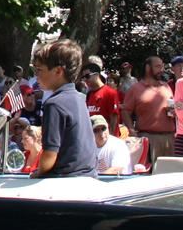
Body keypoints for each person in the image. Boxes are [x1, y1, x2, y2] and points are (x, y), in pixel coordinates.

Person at [31, 38, 98, 178]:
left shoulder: (54, 104)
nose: (36, 75)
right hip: (89, 177)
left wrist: (38, 173)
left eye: (39, 70)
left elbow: (49, 154)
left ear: (58, 71)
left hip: (63, 182)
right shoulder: (80, 98)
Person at [122, 56, 176, 163]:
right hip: (149, 138)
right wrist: (131, 130)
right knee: (150, 174)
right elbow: (125, 111)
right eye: (157, 66)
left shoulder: (166, 87)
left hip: (169, 138)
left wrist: (174, 111)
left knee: (171, 175)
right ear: (147, 68)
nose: (161, 70)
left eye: (162, 66)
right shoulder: (136, 89)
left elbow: (173, 108)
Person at [82, 67, 120, 135]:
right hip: (94, 139)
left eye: (87, 76)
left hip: (107, 138)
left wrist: (111, 138)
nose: (85, 79)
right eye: (83, 77)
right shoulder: (89, 94)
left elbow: (114, 119)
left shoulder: (110, 92)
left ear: (96, 75)